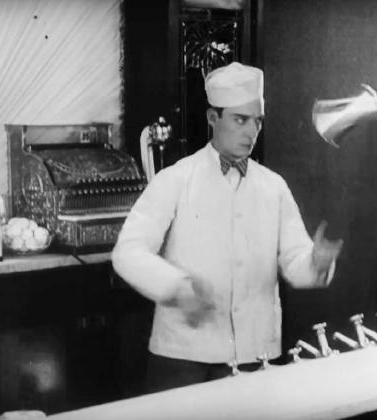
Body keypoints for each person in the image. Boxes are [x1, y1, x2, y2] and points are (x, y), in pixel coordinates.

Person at [112, 61, 343, 393]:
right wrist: (176, 288)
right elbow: (128, 252)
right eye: (240, 120)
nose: (251, 132)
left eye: (257, 121)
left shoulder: (273, 187)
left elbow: (295, 261)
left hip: (254, 355)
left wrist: (316, 263)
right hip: (184, 357)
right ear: (212, 118)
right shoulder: (176, 179)